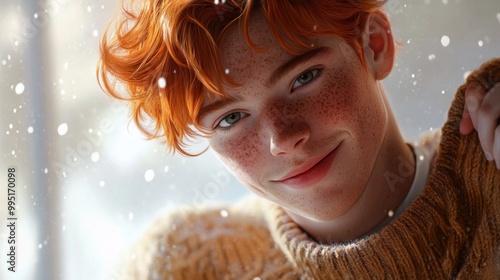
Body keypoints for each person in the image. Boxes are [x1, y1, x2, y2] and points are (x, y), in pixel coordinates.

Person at [98, 0, 500, 278]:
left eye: (303, 78)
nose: (282, 138)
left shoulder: (491, 188)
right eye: (231, 118)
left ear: (375, 45)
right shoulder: (178, 267)